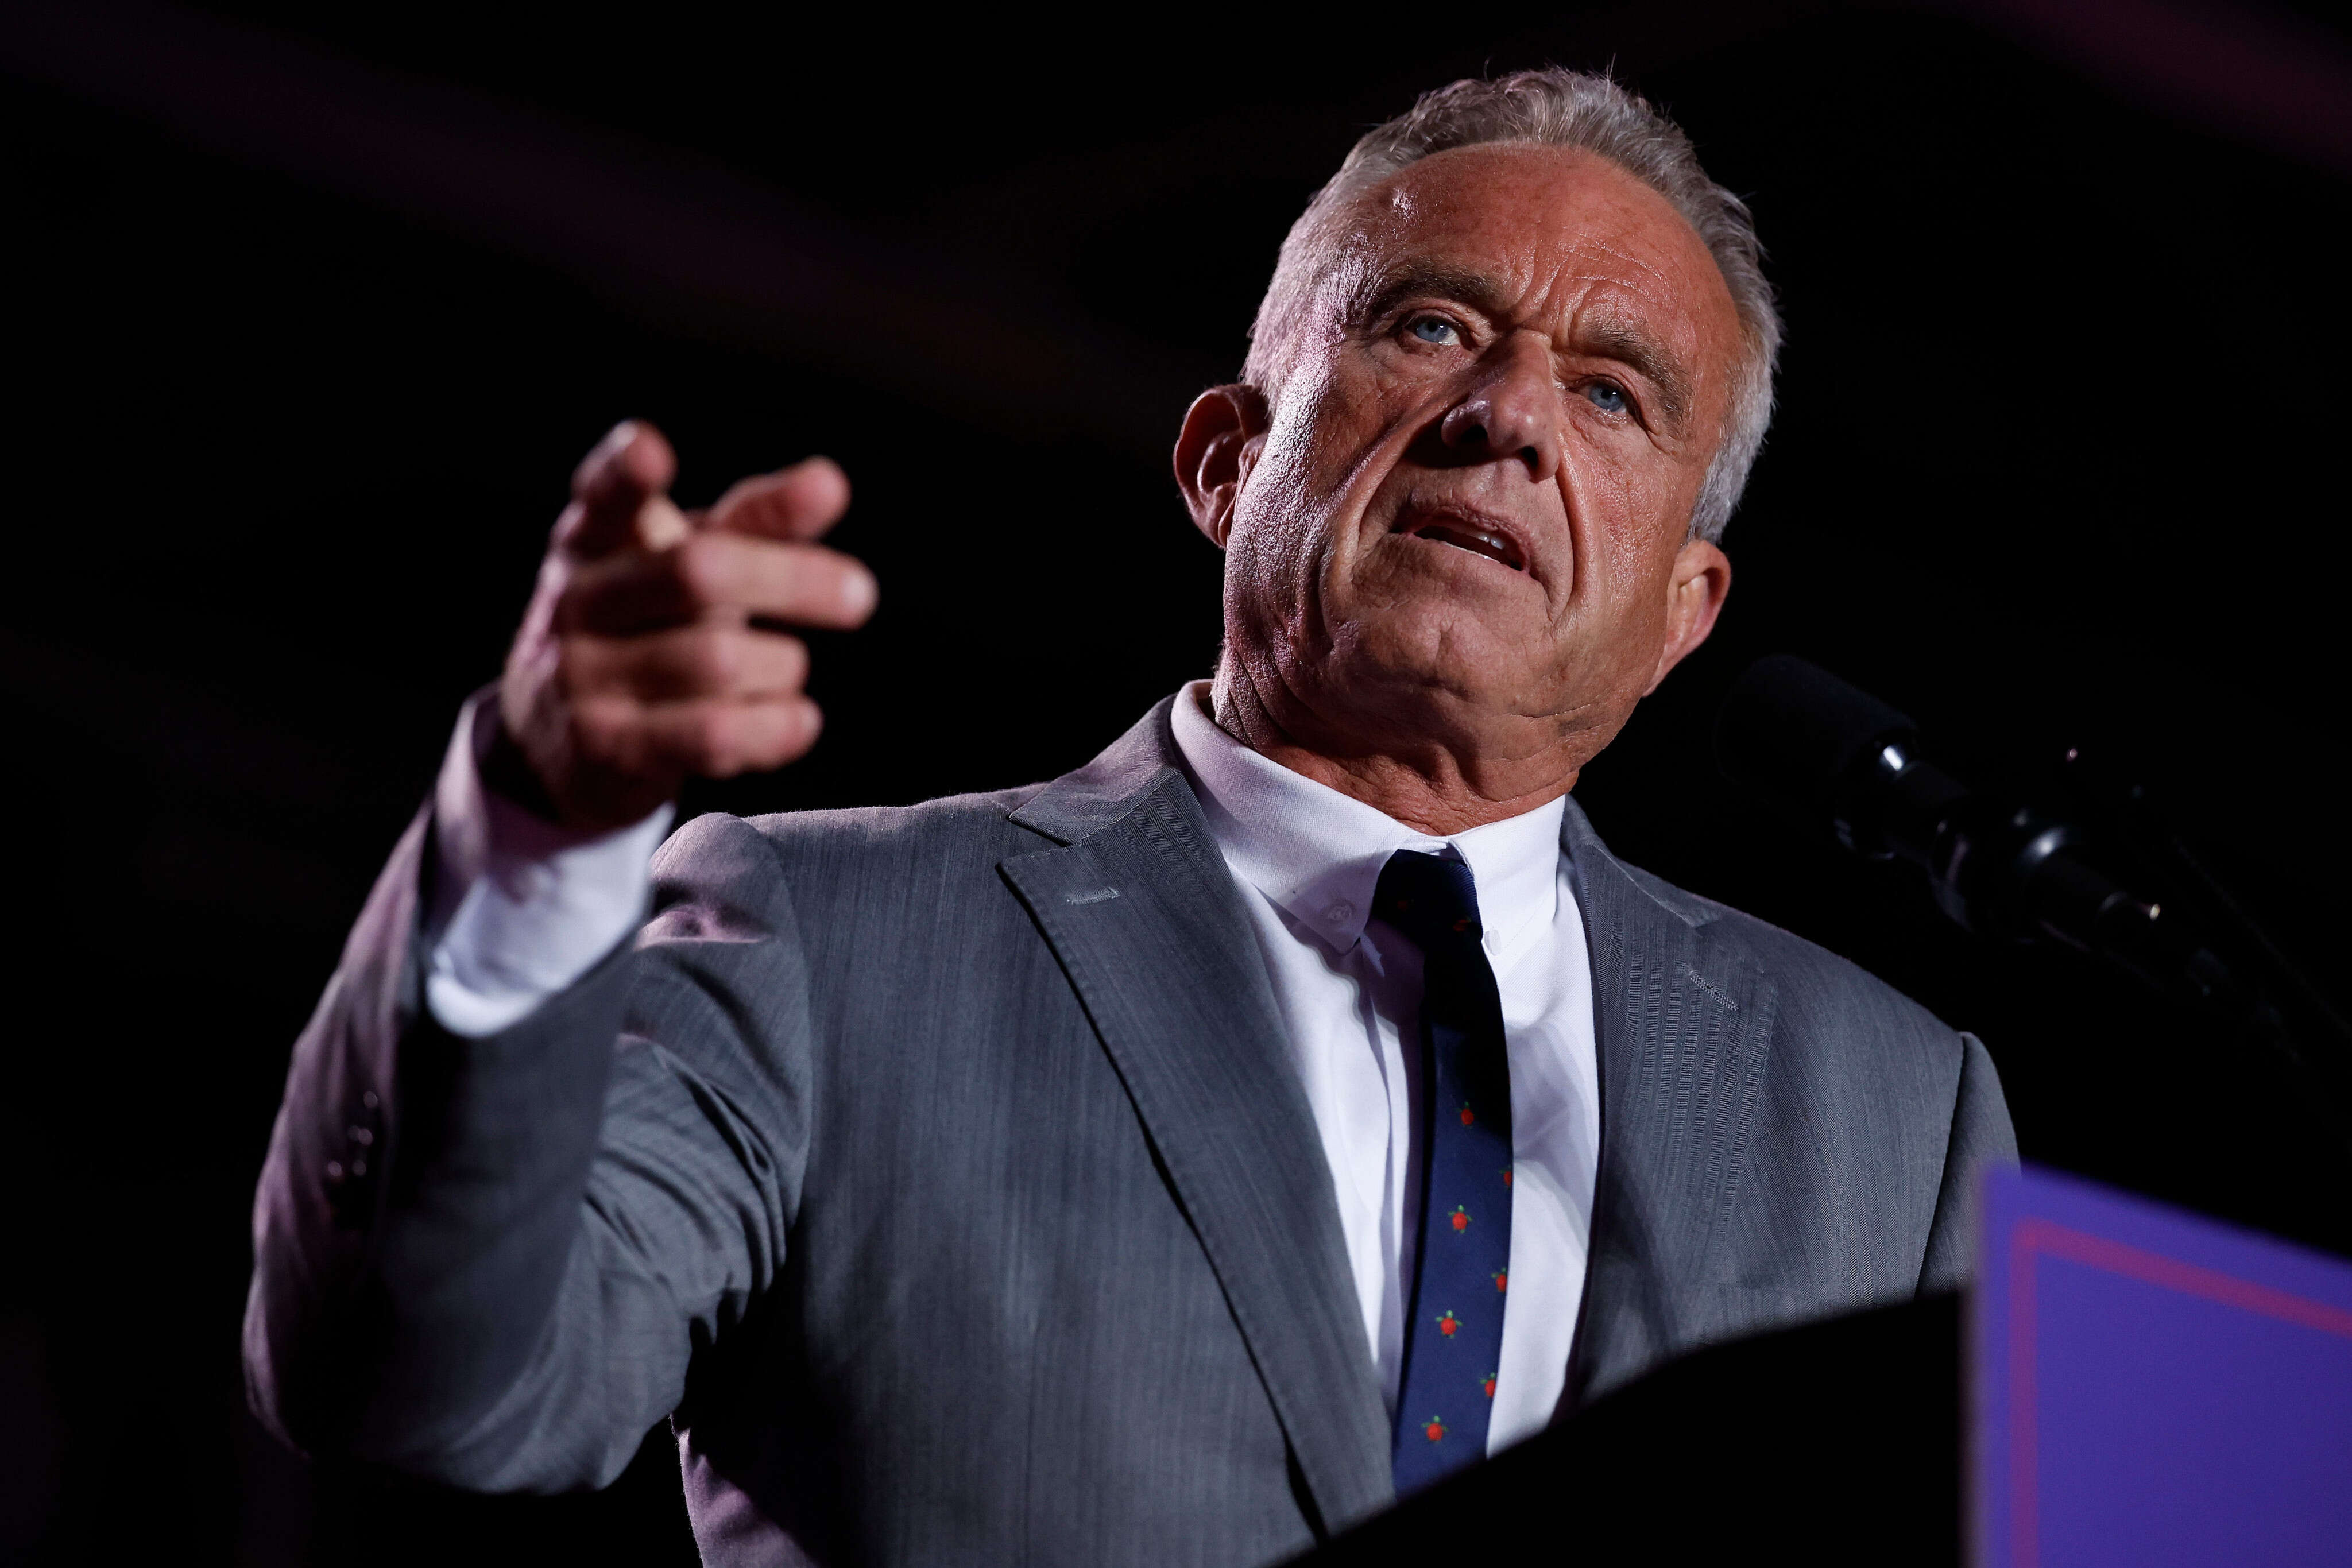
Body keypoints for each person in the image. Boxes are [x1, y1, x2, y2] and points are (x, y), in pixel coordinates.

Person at [245, 68, 2013, 1566]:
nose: (1507, 416)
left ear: (1685, 610)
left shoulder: (1896, 1115)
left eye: (1615, 392)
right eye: (1433, 324)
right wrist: (542, 832)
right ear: (1226, 463)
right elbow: (428, 1385)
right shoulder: (819, 942)